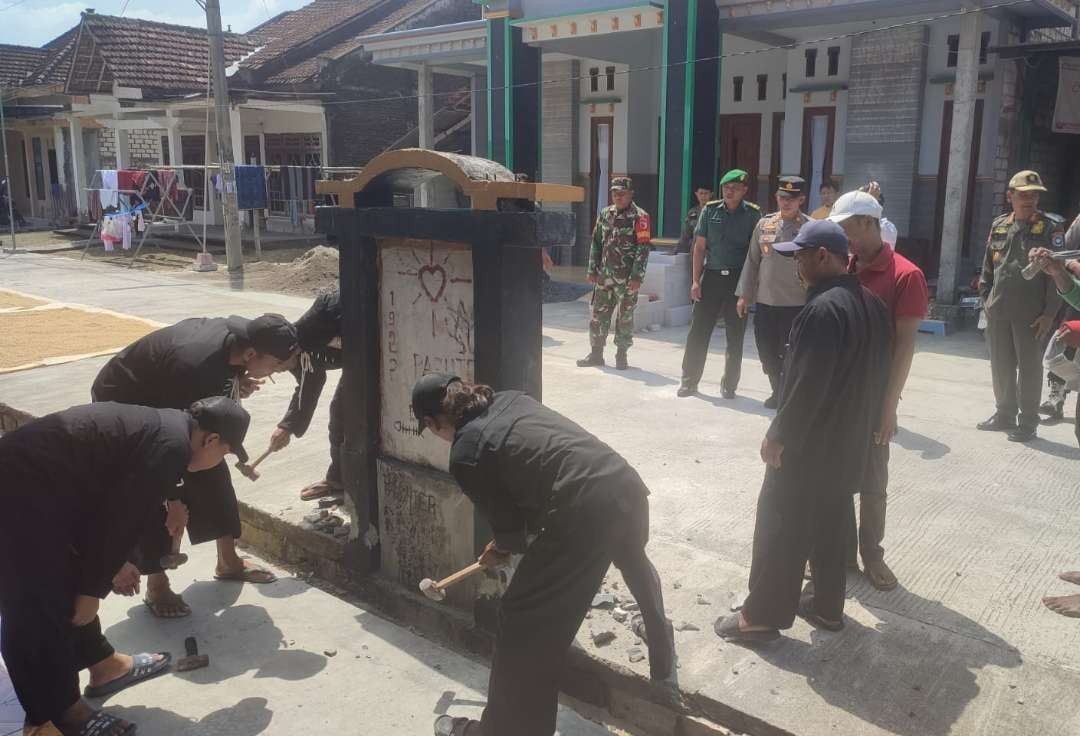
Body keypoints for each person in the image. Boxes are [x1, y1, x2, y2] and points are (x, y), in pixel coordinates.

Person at [413, 374, 675, 736]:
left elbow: (511, 530)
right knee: (631, 557)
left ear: (431, 422)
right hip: (622, 481)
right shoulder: (510, 398)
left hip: (581, 513)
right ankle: (663, 651)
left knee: (522, 623)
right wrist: (504, 544)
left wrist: (499, 547)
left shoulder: (466, 452)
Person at [0, 397, 250, 736]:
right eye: (225, 453)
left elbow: (118, 507)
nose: (219, 460)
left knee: (68, 582)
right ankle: (55, 715)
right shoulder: (170, 447)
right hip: (18, 492)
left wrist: (115, 562)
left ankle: (105, 666)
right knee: (37, 604)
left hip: (46, 491)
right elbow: (117, 522)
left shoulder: (170, 428)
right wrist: (93, 590)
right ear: (210, 440)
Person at [714, 220, 891, 643]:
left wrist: (779, 434)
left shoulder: (822, 311)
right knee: (831, 523)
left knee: (780, 524)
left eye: (800, 256)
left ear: (823, 256)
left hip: (811, 447)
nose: (797, 265)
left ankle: (759, 618)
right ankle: (827, 609)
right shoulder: (871, 305)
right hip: (849, 445)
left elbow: (807, 385)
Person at [91, 313, 298, 618]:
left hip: (171, 392)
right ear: (252, 354)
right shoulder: (193, 369)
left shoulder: (240, 338)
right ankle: (157, 584)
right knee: (154, 493)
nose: (275, 372)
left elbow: (213, 383)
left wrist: (235, 379)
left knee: (213, 463)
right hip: (126, 402)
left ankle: (228, 561)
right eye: (276, 367)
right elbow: (170, 446)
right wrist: (174, 499)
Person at [832, 189, 928, 591]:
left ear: (870, 223)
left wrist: (888, 408)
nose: (845, 239)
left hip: (875, 397)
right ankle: (837, 553)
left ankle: (872, 554)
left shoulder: (906, 275)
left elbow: (905, 346)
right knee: (833, 477)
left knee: (872, 480)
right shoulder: (843, 268)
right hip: (839, 393)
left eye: (849, 229)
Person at [977, 170, 1066, 442]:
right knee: (1001, 365)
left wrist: (1050, 314)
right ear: (1010, 197)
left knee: (1029, 367)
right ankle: (1004, 413)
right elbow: (988, 268)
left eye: (1035, 195)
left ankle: (1028, 421)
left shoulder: (1051, 228)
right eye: (1024, 195)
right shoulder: (1000, 225)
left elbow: (1058, 274)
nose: (1030, 200)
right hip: (999, 310)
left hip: (1031, 314)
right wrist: (986, 300)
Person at [678, 169, 762, 398]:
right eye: (726, 187)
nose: (729, 190)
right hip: (712, 277)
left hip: (738, 279)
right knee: (698, 332)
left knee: (735, 336)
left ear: (744, 190)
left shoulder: (754, 215)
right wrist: (696, 281)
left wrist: (749, 289)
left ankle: (730, 385)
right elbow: (699, 247)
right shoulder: (710, 210)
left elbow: (756, 255)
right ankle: (689, 381)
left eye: (735, 187)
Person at [736, 176, 810, 408]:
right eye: (781, 198)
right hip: (766, 301)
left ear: (801, 200)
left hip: (796, 303)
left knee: (791, 353)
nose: (785, 203)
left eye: (791, 199)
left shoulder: (809, 228)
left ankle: (786, 393)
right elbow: (752, 261)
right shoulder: (764, 224)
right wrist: (744, 295)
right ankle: (776, 389)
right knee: (766, 349)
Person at [268, 288, 346, 501]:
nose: (277, 370)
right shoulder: (297, 354)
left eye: (277, 365)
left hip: (377, 350)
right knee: (339, 416)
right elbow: (308, 387)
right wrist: (287, 426)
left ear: (289, 352)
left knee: (345, 413)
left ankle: (352, 480)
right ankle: (338, 479)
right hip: (356, 361)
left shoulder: (324, 314)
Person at [577, 176, 652, 371]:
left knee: (624, 317)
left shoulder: (640, 216)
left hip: (627, 279)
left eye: (622, 193)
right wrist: (592, 269)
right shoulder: (605, 213)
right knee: (598, 315)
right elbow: (596, 242)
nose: (618, 197)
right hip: (604, 276)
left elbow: (643, 249)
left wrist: (637, 277)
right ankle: (596, 354)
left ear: (631, 194)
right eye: (614, 193)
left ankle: (621, 354)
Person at [677, 185, 714, 254]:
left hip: (712, 254)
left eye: (706, 193)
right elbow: (686, 234)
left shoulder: (716, 212)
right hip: (695, 252)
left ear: (711, 194)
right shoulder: (692, 213)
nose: (703, 196)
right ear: (696, 194)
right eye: (701, 193)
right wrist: (676, 250)